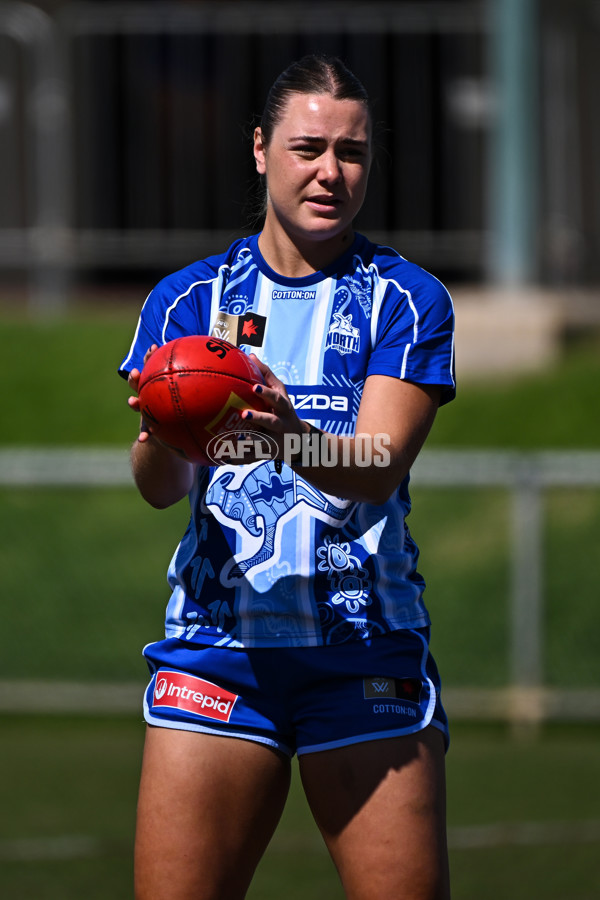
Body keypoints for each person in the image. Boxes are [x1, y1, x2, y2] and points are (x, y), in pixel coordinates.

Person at [120, 53, 455, 900]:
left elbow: (376, 469)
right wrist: (168, 431)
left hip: (362, 650)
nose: (330, 173)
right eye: (309, 148)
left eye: (352, 153)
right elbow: (160, 486)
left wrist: (289, 433)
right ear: (262, 149)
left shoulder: (406, 300)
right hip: (218, 650)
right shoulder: (187, 302)